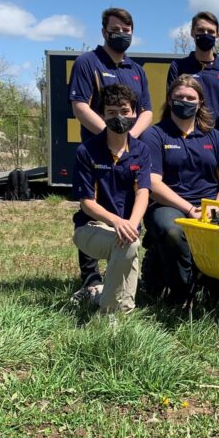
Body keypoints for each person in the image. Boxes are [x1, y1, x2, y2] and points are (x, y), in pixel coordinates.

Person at [68, 7, 154, 304]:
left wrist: (129, 136)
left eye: (127, 29)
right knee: (97, 205)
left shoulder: (137, 71)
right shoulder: (87, 63)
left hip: (127, 151)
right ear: (104, 31)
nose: (122, 34)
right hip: (98, 148)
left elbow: (146, 111)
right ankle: (90, 281)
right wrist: (109, 132)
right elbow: (80, 106)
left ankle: (117, 297)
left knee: (127, 211)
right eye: (116, 29)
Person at [141, 76, 219, 306]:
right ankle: (182, 294)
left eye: (190, 98)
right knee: (172, 232)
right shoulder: (155, 135)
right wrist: (190, 209)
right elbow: (154, 184)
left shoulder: (213, 136)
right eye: (179, 97)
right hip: (168, 205)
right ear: (169, 100)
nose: (184, 102)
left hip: (210, 205)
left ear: (200, 102)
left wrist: (215, 206)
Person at [71, 84, 152, 316]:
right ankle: (107, 313)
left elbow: (143, 192)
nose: (119, 117)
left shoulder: (141, 151)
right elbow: (87, 203)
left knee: (129, 246)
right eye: (112, 112)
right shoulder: (87, 151)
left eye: (125, 111)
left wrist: (132, 224)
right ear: (103, 114)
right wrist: (118, 222)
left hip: (127, 231)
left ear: (135, 113)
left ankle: (115, 309)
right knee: (130, 245)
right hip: (89, 228)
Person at [166, 11, 219, 134]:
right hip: (185, 136)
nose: (206, 35)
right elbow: (171, 105)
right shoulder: (178, 66)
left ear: (218, 35)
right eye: (201, 30)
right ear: (192, 32)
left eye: (211, 32)